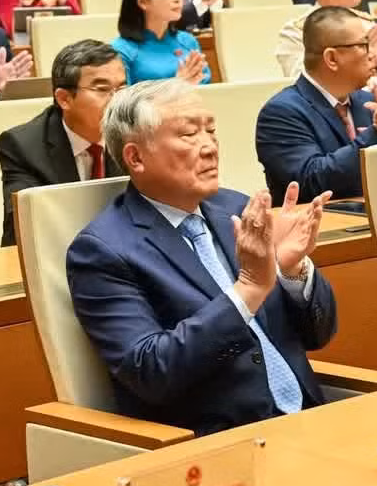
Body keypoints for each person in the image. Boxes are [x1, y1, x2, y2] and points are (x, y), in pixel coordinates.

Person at [65, 80, 338, 436]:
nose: (209, 147)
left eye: (211, 130)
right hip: (215, 446)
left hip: (310, 418)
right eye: (188, 135)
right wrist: (250, 290)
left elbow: (319, 334)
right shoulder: (103, 250)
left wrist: (292, 270)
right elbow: (151, 371)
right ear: (135, 157)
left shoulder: (236, 209)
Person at [256, 7, 377, 202]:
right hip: (322, 227)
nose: (372, 54)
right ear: (331, 59)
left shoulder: (370, 102)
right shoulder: (281, 113)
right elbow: (310, 183)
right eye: (364, 45)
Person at [0, 40, 125, 245]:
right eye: (102, 89)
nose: (118, 100)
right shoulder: (23, 147)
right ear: (64, 98)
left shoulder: (134, 136)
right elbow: (24, 231)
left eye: (122, 88)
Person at [110, 0, 210, 85]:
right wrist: (177, 85)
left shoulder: (187, 41)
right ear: (143, 2)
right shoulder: (122, 50)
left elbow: (205, 87)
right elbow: (125, 102)